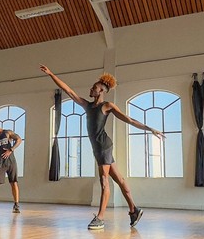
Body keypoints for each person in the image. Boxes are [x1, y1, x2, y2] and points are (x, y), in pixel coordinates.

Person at [39, 65, 164, 230]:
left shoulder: (107, 106)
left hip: (103, 147)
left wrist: (150, 129)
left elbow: (130, 120)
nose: (91, 89)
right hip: (99, 148)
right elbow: (68, 90)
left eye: (94, 88)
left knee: (104, 181)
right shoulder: (87, 105)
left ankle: (100, 218)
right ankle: (134, 209)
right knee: (119, 180)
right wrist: (51, 74)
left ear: (101, 91)